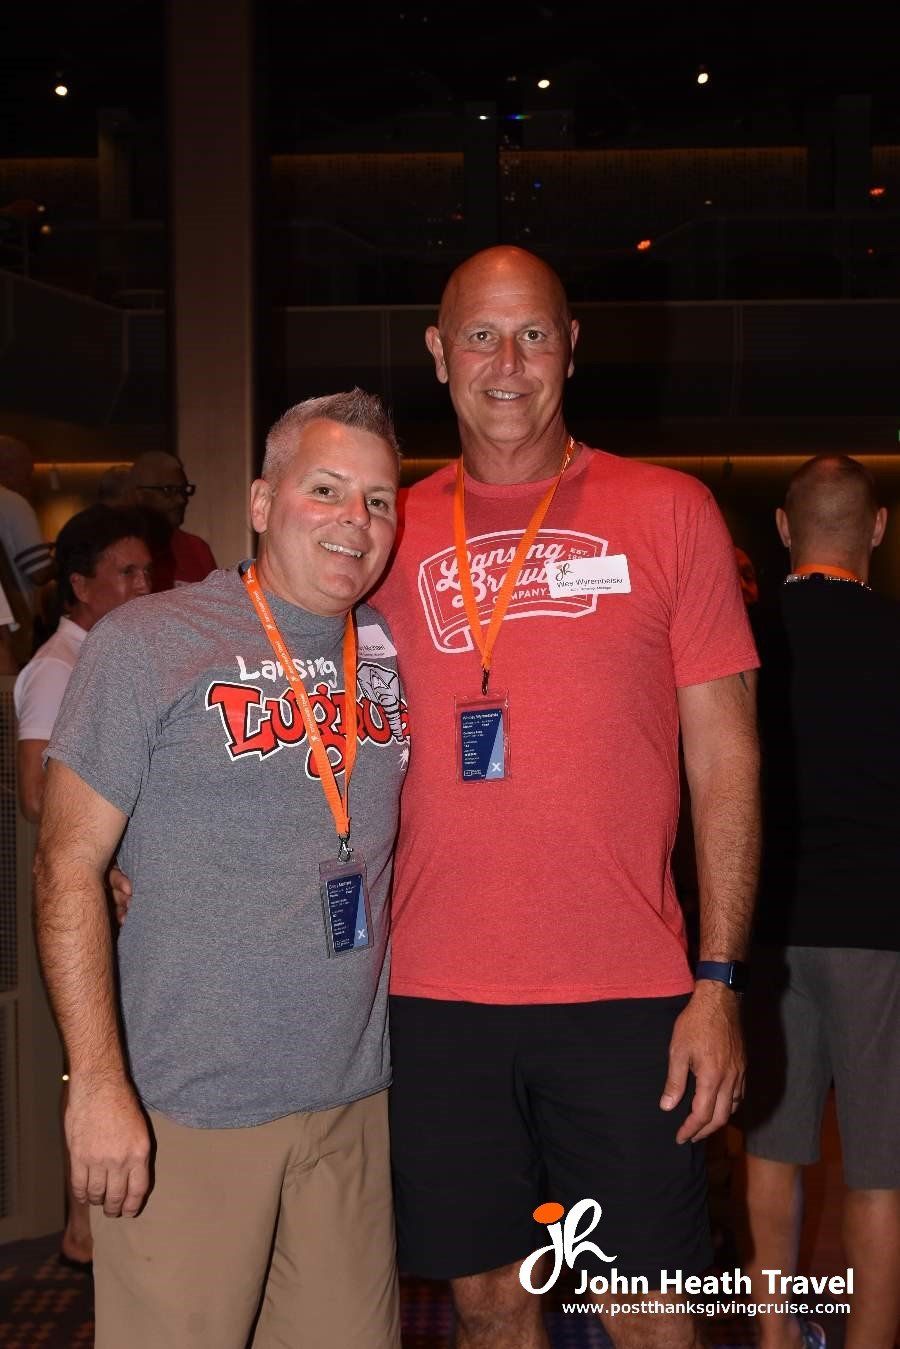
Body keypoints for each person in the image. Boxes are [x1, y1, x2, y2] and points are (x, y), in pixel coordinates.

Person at [371, 246, 761, 1349]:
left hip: (630, 994)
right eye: (482, 335)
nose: (509, 361)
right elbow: (287, 698)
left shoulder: (669, 509)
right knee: (491, 1301)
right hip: (436, 993)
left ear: (572, 347)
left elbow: (725, 761)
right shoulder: (384, 533)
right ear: (439, 352)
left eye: (534, 334)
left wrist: (721, 978)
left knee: (649, 1309)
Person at [33, 390, 409, 1349]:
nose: (354, 521)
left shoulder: (398, 652)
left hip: (350, 1107)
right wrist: (97, 1085)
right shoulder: (148, 644)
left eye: (376, 499)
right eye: (325, 489)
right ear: (259, 501)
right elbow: (68, 864)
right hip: (187, 1113)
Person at [742, 455, 900, 1349]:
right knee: (880, 1171)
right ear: (875, 527)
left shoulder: (745, 637)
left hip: (769, 933)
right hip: (884, 937)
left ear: (783, 526)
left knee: (773, 1152)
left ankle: (774, 1339)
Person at [126, 449, 217, 589]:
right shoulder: (117, 551)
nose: (181, 500)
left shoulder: (197, 549)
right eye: (168, 490)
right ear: (138, 494)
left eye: (183, 490)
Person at [0, 434, 54, 660]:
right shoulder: (13, 503)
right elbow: (38, 572)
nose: (29, 483)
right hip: (12, 629)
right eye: (26, 473)